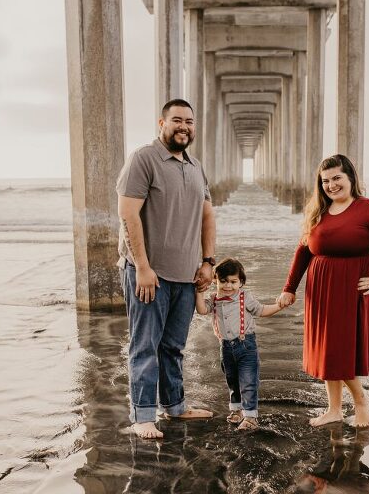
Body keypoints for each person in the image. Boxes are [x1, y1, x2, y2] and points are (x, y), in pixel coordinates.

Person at [278, 154, 369, 428]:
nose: (331, 185)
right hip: (320, 291)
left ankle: (361, 401)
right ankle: (333, 409)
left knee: (339, 351)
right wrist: (290, 288)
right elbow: (302, 252)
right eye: (325, 181)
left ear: (350, 178)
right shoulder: (318, 210)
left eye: (337, 178)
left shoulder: (367, 209)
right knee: (327, 351)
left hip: (351, 291)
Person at [117, 98, 216, 439]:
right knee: (145, 345)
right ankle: (143, 415)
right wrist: (143, 267)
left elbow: (206, 216)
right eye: (176, 120)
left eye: (189, 121)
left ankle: (174, 406)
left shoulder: (196, 166)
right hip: (150, 275)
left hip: (186, 277)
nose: (184, 126)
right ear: (161, 124)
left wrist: (208, 261)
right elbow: (128, 213)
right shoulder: (144, 159)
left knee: (173, 346)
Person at [195, 258, 287, 431]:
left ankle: (251, 416)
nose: (228, 286)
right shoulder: (214, 299)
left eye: (233, 282)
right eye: (223, 281)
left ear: (241, 283)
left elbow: (262, 311)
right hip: (225, 347)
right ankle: (237, 410)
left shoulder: (245, 297)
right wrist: (199, 292)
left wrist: (279, 306)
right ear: (215, 281)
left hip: (246, 346)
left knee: (248, 381)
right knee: (232, 380)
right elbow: (201, 310)